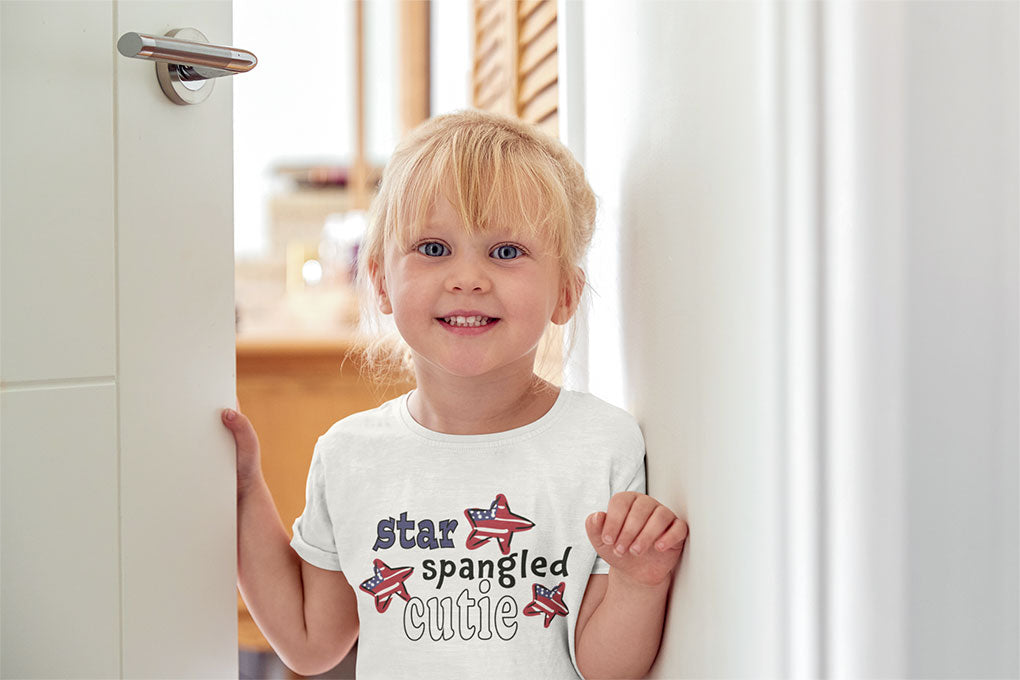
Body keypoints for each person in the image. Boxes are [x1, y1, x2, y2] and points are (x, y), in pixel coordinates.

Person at [222, 110, 689, 679]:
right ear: (382, 282)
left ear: (566, 292)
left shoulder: (602, 446)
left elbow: (604, 668)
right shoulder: (349, 454)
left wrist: (640, 581)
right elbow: (308, 641)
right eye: (435, 249)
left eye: (507, 251)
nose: (467, 278)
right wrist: (242, 491)